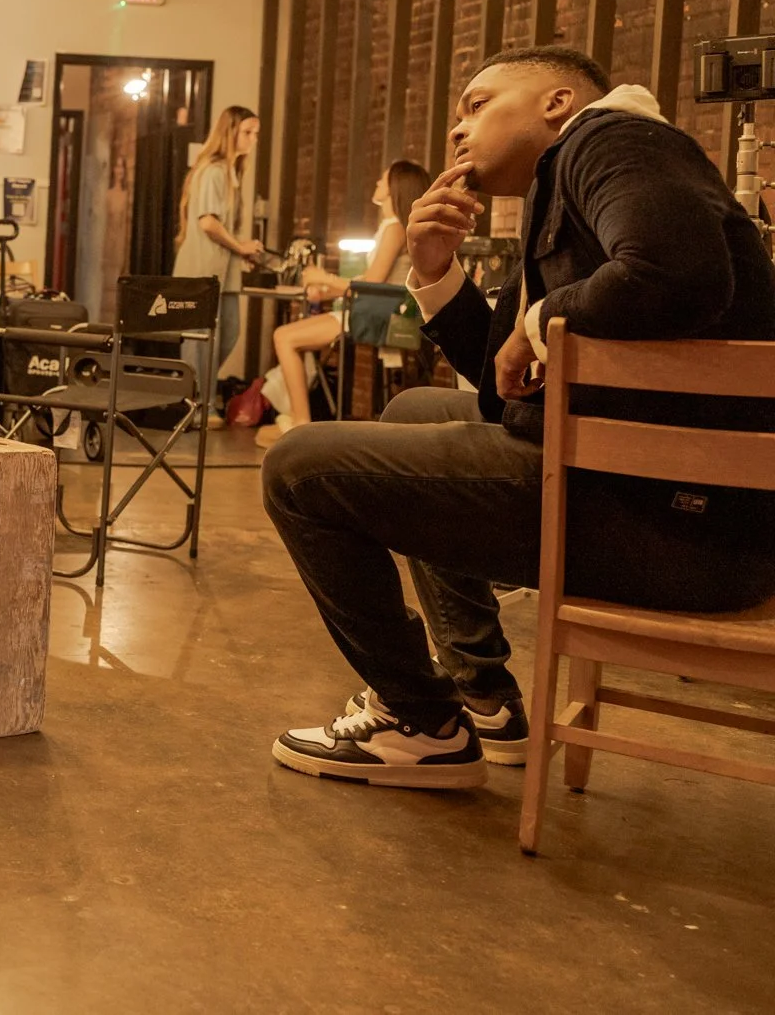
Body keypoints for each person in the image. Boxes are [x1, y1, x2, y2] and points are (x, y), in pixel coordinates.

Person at [263, 45, 775, 789]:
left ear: (557, 103)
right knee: (413, 411)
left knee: (295, 467)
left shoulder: (614, 140)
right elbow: (505, 389)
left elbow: (678, 273)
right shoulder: (559, 184)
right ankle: (484, 697)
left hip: (674, 523)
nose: (458, 132)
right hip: (653, 501)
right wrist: (436, 270)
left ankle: (420, 720)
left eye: (477, 105)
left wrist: (539, 316)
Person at [256, 159, 430, 447]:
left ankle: (301, 422)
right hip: (373, 308)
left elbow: (373, 282)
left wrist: (323, 277)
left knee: (284, 337)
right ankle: (297, 417)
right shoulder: (391, 228)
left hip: (380, 314)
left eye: (382, 180)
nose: (377, 183)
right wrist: (328, 291)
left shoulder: (396, 228)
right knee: (289, 338)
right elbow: (370, 280)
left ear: (395, 188)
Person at [170, 105, 264, 418]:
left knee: (227, 334)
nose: (253, 139)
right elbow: (208, 223)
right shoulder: (212, 171)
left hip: (224, 271)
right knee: (202, 341)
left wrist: (241, 252)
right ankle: (198, 405)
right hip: (203, 268)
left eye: (255, 133)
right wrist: (240, 246)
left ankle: (197, 398)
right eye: (248, 132)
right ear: (231, 132)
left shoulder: (231, 173)